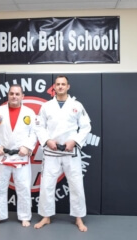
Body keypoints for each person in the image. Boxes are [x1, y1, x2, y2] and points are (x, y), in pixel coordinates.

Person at [34, 75, 91, 232]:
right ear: (54, 87)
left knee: (76, 185)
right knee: (47, 185)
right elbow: (39, 126)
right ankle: (46, 216)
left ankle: (78, 218)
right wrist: (47, 140)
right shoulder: (46, 106)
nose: (60, 86)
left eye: (63, 84)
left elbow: (86, 126)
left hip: (70, 151)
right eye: (57, 84)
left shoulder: (76, 105)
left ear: (68, 87)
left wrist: (74, 141)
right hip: (51, 151)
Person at [0, 84, 37, 228]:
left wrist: (27, 147)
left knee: (23, 187)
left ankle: (25, 216)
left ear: (22, 96)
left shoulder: (29, 112)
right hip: (3, 156)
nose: (14, 96)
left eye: (17, 94)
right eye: (11, 93)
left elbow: (34, 132)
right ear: (8, 95)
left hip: (21, 156)